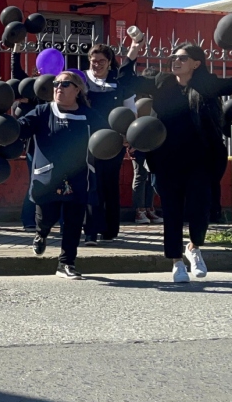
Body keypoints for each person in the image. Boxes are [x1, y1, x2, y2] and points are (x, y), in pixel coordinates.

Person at [149, 42, 232, 282]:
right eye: (173, 57)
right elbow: (129, 82)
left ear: (196, 64)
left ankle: (194, 248)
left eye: (182, 58)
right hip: (167, 159)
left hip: (201, 159)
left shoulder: (207, 85)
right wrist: (135, 49)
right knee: (172, 211)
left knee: (200, 209)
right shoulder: (162, 83)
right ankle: (176, 261)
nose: (175, 61)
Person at [18, 70, 96, 280]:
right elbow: (22, 128)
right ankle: (41, 234)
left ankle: (66, 264)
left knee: (73, 223)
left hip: (79, 178)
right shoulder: (43, 111)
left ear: (77, 89)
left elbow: (105, 138)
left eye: (65, 84)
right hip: (47, 178)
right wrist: (8, 127)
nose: (58, 88)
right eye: (56, 84)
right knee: (46, 218)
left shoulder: (89, 115)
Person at [81, 41, 143, 245]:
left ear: (109, 63)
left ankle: (109, 230)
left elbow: (131, 111)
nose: (96, 65)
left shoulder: (120, 83)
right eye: (93, 60)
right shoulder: (81, 80)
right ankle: (90, 230)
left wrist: (129, 135)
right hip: (87, 140)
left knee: (109, 185)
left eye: (101, 61)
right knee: (91, 184)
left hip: (114, 141)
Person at [11, 47, 40, 231]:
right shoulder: (30, 88)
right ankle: (28, 219)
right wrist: (16, 52)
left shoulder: (59, 87)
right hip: (34, 144)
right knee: (34, 181)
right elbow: (17, 74)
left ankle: (56, 220)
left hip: (55, 141)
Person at [130, 68, 162, 225]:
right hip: (138, 143)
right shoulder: (137, 99)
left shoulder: (159, 98)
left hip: (153, 143)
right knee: (140, 175)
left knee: (151, 176)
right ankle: (139, 210)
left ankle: (150, 208)